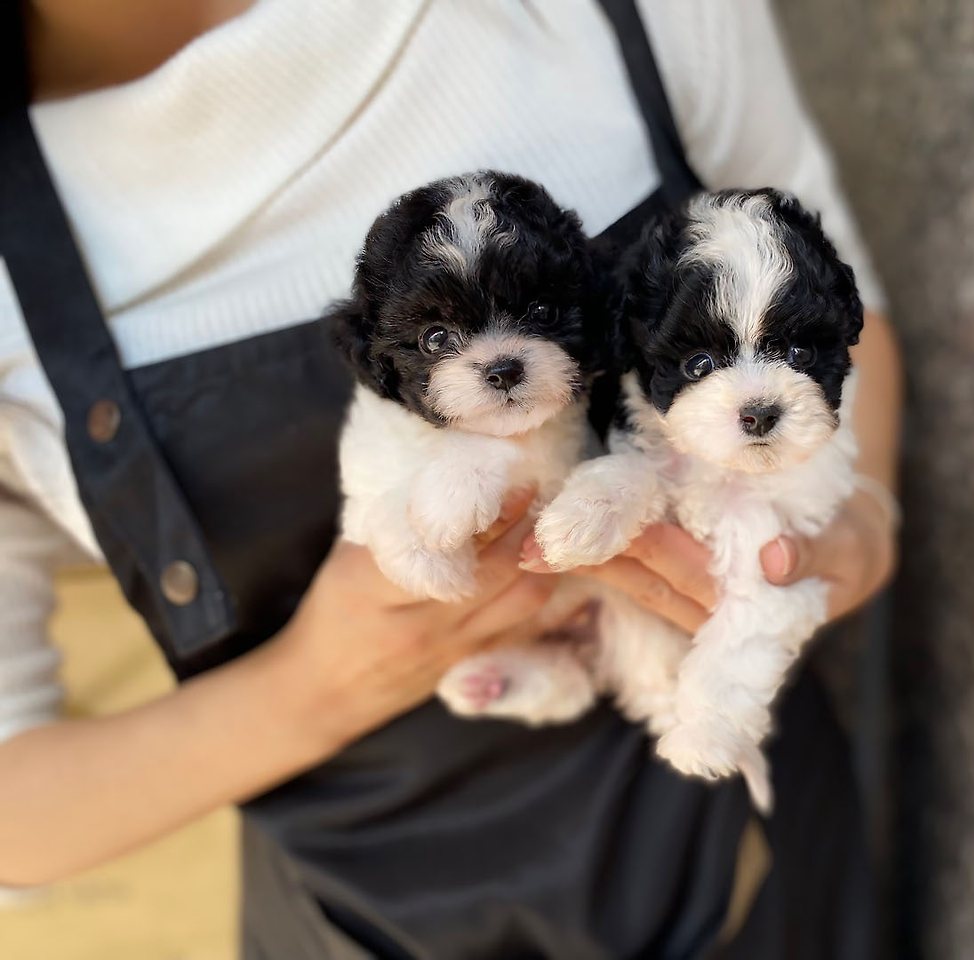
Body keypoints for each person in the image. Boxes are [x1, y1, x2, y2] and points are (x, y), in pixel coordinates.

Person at [0, 0, 903, 956]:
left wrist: (862, 524)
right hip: (360, 926)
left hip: (751, 866)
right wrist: (319, 683)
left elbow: (839, 296)